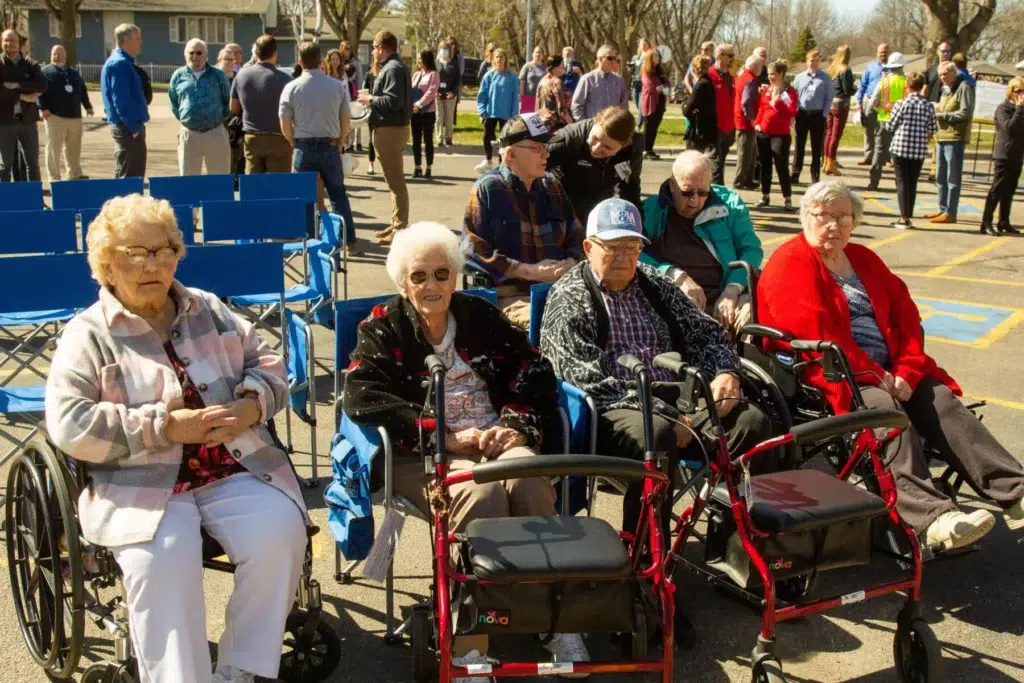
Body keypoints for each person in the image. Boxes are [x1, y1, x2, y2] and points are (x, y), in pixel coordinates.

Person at [45, 194, 308, 683]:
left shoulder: (205, 307)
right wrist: (163, 428)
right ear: (106, 263)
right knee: (163, 560)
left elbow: (269, 363)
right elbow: (69, 423)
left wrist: (251, 405)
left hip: (232, 464)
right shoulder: (87, 335)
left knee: (279, 534)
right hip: (139, 482)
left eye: (163, 250)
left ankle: (241, 671)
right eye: (135, 253)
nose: (152, 264)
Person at [344, 221, 591, 681]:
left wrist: (515, 426)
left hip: (495, 439)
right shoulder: (382, 329)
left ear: (456, 276)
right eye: (419, 276)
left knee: (529, 478)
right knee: (481, 496)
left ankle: (554, 618)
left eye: (442, 273)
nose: (432, 285)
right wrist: (443, 436)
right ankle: (471, 636)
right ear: (401, 281)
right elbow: (362, 398)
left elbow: (534, 371)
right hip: (422, 454)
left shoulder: (479, 317)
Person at [757, 180, 1024, 551]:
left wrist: (908, 371)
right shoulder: (791, 262)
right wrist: (879, 376)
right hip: (834, 373)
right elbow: (818, 335)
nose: (833, 225)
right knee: (883, 412)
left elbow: (907, 315)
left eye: (843, 217)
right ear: (807, 217)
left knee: (940, 400)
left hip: (892, 368)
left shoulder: (864, 258)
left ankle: (1013, 490)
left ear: (854, 222)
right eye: (824, 216)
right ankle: (933, 518)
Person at [540, 196, 771, 550]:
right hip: (611, 409)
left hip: (673, 399)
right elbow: (586, 380)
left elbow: (705, 331)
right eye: (612, 247)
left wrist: (727, 372)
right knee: (658, 436)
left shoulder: (651, 282)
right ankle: (648, 559)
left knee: (750, 423)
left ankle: (731, 548)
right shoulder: (569, 297)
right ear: (588, 247)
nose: (623, 257)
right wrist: (666, 413)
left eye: (632, 247)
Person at [462, 114, 585, 327]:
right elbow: (472, 252)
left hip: (559, 290)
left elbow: (577, 236)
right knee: (552, 322)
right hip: (510, 296)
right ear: (510, 154)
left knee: (602, 319)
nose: (545, 154)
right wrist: (529, 271)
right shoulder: (489, 188)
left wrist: (571, 263)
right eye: (537, 148)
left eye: (546, 147)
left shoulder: (552, 185)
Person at [639, 150, 762, 334]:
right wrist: (674, 275)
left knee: (754, 323)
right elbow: (633, 252)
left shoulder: (730, 204)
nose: (695, 201)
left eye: (703, 192)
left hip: (725, 295)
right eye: (687, 192)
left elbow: (751, 250)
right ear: (672, 185)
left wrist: (732, 290)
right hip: (672, 300)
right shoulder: (652, 210)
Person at [279, 41, 358, 253]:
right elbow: (345, 118)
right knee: (338, 195)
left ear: (299, 61)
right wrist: (340, 142)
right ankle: (347, 238)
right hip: (330, 145)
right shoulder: (336, 86)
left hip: (303, 147)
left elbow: (285, 124)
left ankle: (309, 238)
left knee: (304, 196)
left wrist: (294, 142)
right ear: (320, 59)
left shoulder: (291, 88)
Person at [546, 106, 644, 228]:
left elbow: (630, 188)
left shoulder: (632, 150)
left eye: (607, 147)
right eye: (595, 138)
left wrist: (638, 227)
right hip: (560, 204)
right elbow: (531, 169)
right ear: (595, 123)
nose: (596, 149)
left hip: (599, 206)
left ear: (623, 146)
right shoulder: (569, 138)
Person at [357, 31, 412, 245]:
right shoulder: (394, 67)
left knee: (396, 182)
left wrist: (371, 99)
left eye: (374, 47)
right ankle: (397, 223)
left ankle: (400, 227)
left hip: (390, 129)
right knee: (393, 181)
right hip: (389, 129)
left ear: (382, 47)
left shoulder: (393, 68)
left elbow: (393, 101)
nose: (372, 51)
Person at [230, 35, 292, 175]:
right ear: (275, 53)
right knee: (278, 188)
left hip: (252, 138)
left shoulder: (241, 75)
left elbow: (233, 107)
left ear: (255, 53)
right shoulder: (285, 79)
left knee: (254, 187)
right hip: (279, 138)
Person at [168, 39, 231, 176]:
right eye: (191, 53)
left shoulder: (218, 75)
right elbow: (174, 103)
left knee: (219, 179)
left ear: (206, 55)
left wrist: (216, 119)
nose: (195, 56)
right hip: (189, 135)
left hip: (215, 133)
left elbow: (227, 101)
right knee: (188, 178)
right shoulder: (178, 76)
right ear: (185, 54)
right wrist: (188, 119)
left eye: (199, 53)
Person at [884, 73, 936, 229]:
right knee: (912, 182)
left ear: (907, 86)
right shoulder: (928, 105)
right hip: (918, 150)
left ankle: (904, 216)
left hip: (900, 147)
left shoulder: (902, 103)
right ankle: (908, 214)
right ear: (921, 87)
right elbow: (932, 128)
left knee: (902, 182)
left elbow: (890, 125)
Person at [100, 24, 149, 179]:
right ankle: (125, 204)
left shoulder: (122, 62)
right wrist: (133, 127)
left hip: (127, 127)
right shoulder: (119, 64)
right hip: (127, 128)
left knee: (128, 173)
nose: (141, 42)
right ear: (127, 39)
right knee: (130, 177)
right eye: (138, 38)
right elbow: (121, 100)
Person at [929, 59, 974, 225]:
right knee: (940, 177)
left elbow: (966, 112)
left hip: (955, 138)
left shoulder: (964, 88)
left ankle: (951, 212)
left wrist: (944, 116)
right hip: (941, 136)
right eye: (940, 75)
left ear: (954, 73)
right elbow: (943, 106)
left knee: (952, 178)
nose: (942, 77)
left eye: (945, 74)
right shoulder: (946, 89)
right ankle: (942, 209)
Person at [38, 44, 92, 182]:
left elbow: (82, 90)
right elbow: (39, 91)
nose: (57, 57)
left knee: (74, 148)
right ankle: (54, 176)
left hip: (74, 116)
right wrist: (43, 108)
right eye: (54, 54)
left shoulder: (74, 73)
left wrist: (88, 106)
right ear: (51, 56)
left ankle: (74, 174)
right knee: (53, 148)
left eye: (59, 54)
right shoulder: (44, 71)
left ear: (65, 56)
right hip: (54, 116)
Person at [0, 28, 46, 183]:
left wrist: (17, 84)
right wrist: (23, 96)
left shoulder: (31, 64)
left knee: (32, 164)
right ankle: (5, 201)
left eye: (12, 40)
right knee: (5, 165)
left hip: (28, 121)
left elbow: (42, 85)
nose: (9, 44)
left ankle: (35, 199)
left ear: (19, 44)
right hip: (4, 123)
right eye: (6, 40)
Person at [980, 77, 1024, 235]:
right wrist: (1019, 109)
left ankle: (1004, 221)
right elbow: (1010, 127)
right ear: (1010, 92)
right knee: (997, 189)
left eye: (1023, 90)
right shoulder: (1003, 108)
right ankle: (986, 222)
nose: (1021, 94)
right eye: (1018, 91)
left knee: (1009, 190)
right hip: (1004, 155)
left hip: (1017, 155)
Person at [754, 58, 798, 211]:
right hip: (764, 131)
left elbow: (792, 111)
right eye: (769, 74)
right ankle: (765, 195)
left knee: (781, 165)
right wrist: (757, 123)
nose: (770, 77)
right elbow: (761, 108)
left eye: (773, 74)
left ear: (781, 74)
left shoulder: (789, 92)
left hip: (780, 134)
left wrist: (778, 102)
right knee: (764, 165)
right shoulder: (767, 90)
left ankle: (787, 198)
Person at [864, 52, 906, 191]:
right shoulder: (907, 82)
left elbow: (872, 102)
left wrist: (880, 109)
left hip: (884, 120)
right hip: (901, 123)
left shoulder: (884, 82)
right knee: (899, 154)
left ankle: (873, 182)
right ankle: (900, 184)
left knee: (879, 151)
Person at [791, 49, 833, 185]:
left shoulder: (825, 78)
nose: (813, 63)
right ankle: (795, 173)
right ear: (806, 61)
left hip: (817, 115)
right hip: (802, 114)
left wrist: (824, 114)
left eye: (816, 60)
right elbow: (794, 96)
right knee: (799, 145)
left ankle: (815, 176)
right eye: (811, 60)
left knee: (816, 147)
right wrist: (794, 112)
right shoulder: (799, 77)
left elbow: (829, 98)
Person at [474, 48, 518, 173]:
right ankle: (488, 161)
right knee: (486, 137)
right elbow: (482, 94)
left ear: (505, 59)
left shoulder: (512, 77)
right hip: (490, 112)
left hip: (506, 114)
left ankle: (502, 165)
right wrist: (482, 111)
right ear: (493, 59)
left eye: (501, 57)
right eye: (497, 57)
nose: (499, 59)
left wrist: (514, 115)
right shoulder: (489, 75)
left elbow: (515, 97)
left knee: (503, 140)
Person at [570, 44, 628, 121]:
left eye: (614, 58)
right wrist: (585, 126)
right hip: (594, 127)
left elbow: (624, 105)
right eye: (610, 58)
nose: (613, 61)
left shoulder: (619, 80)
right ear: (600, 59)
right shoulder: (587, 79)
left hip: (614, 127)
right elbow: (576, 106)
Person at [922, 41, 953, 181]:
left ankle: (933, 171)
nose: (945, 54)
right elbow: (925, 88)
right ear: (938, 52)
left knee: (938, 143)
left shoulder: (952, 70)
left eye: (948, 52)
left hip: (942, 110)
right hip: (929, 107)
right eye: (943, 51)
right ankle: (917, 166)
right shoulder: (931, 69)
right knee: (923, 140)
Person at [706, 44, 736, 185]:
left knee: (721, 162)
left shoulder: (730, 77)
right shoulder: (709, 75)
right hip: (714, 127)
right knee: (715, 163)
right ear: (719, 56)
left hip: (728, 126)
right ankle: (718, 194)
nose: (732, 59)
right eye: (729, 56)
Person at [733, 55, 763, 190]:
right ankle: (739, 181)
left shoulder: (742, 77)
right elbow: (746, 101)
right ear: (755, 67)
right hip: (745, 122)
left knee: (750, 152)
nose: (762, 69)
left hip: (742, 120)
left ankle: (748, 180)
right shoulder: (750, 80)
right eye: (760, 66)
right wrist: (751, 118)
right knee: (745, 154)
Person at [856, 43, 889, 166]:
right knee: (869, 130)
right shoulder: (870, 67)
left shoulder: (893, 68)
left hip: (886, 104)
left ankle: (886, 158)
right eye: (880, 52)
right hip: (870, 102)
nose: (883, 55)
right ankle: (868, 156)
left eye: (885, 52)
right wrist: (859, 103)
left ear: (888, 53)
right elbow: (863, 85)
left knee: (885, 131)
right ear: (877, 53)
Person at [823, 45, 853, 177]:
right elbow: (847, 90)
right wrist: (855, 88)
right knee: (836, 135)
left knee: (828, 134)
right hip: (841, 104)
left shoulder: (831, 69)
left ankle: (825, 161)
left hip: (830, 103)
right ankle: (832, 164)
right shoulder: (845, 70)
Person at [216, 47, 244, 179]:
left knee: (235, 152)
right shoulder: (213, 77)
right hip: (217, 121)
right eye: (226, 59)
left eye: (232, 60)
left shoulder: (238, 78)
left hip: (234, 122)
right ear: (219, 60)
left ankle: (233, 178)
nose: (230, 62)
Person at [410, 49, 439, 179]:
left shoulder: (434, 74)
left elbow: (431, 92)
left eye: (420, 58)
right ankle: (417, 167)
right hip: (415, 112)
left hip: (427, 112)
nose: (418, 61)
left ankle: (428, 168)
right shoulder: (416, 74)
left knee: (428, 140)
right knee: (416, 140)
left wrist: (419, 104)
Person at [639, 47, 669, 159]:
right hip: (650, 102)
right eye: (655, 55)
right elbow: (651, 86)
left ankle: (650, 149)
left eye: (658, 56)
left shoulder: (660, 70)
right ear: (649, 58)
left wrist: (663, 87)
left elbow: (668, 83)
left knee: (655, 126)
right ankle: (644, 150)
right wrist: (662, 88)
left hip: (660, 102)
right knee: (649, 127)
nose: (657, 58)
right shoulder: (646, 70)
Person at [683, 55, 716, 154]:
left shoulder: (701, 85)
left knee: (694, 159)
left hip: (699, 129)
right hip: (708, 127)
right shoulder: (710, 82)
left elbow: (686, 110)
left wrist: (685, 104)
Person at [535, 55, 573, 130]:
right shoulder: (556, 82)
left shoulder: (541, 81)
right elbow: (561, 108)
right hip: (556, 125)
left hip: (541, 123)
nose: (564, 67)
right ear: (555, 67)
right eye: (562, 64)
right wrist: (572, 125)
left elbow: (537, 104)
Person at [435, 41, 459, 147]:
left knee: (449, 117)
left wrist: (453, 92)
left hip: (450, 95)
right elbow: (433, 78)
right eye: (442, 48)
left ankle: (448, 137)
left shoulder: (454, 63)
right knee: (439, 117)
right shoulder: (436, 63)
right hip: (438, 95)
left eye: (446, 48)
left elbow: (458, 80)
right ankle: (439, 138)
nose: (444, 50)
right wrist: (435, 91)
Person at [629, 38, 652, 124]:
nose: (643, 46)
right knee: (637, 103)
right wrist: (630, 68)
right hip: (635, 83)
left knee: (641, 105)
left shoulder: (650, 57)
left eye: (645, 44)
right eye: (642, 44)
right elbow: (632, 70)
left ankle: (638, 126)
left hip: (645, 83)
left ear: (648, 46)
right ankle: (647, 118)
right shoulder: (635, 57)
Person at [363, 55, 378, 175]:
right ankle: (371, 163)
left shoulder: (386, 73)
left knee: (383, 138)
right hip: (372, 110)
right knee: (371, 138)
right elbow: (364, 91)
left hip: (384, 110)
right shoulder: (369, 75)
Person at [519, 45, 546, 114]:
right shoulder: (527, 66)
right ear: (532, 54)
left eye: (540, 52)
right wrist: (522, 96)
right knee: (527, 117)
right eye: (536, 52)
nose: (538, 54)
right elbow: (522, 80)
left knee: (538, 119)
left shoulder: (545, 67)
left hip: (541, 98)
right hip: (528, 97)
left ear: (542, 55)